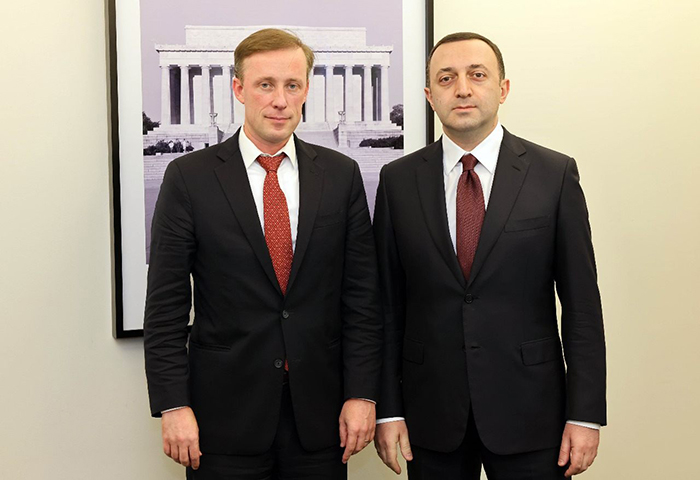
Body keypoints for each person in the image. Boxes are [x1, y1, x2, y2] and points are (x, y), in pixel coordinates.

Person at [144, 28, 382, 480]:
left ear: (306, 90)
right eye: (265, 85)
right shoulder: (189, 178)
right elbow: (165, 306)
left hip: (321, 417)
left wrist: (362, 393)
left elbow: (362, 300)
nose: (280, 101)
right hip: (222, 418)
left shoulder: (341, 175)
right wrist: (173, 404)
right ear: (239, 89)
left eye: (292, 85)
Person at [373, 32, 606, 479]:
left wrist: (585, 414)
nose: (462, 89)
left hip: (533, 412)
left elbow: (582, 306)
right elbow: (386, 306)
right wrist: (388, 408)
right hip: (430, 414)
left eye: (477, 75)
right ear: (430, 96)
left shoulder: (554, 174)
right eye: (446, 78)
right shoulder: (397, 181)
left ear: (503, 88)